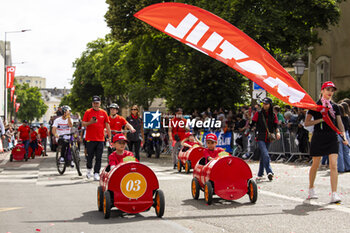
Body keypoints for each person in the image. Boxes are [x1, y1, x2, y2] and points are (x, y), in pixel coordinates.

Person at [304, 81, 348, 203]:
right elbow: (306, 123)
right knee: (315, 165)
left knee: (333, 165)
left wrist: (344, 136)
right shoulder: (315, 106)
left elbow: (340, 124)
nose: (330, 92)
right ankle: (311, 188)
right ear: (322, 91)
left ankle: (334, 193)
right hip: (318, 136)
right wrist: (321, 120)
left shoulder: (335, 107)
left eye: (332, 90)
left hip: (332, 137)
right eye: (328, 89)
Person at [251, 97, 280, 181]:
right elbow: (252, 123)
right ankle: (269, 172)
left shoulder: (273, 115)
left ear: (270, 105)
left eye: (266, 104)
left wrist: (277, 132)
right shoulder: (258, 113)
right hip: (260, 136)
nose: (264, 105)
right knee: (265, 154)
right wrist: (252, 127)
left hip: (269, 137)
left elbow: (276, 126)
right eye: (263, 104)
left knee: (264, 155)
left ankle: (260, 173)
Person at [82, 96, 111, 181]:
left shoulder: (104, 113)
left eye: (97, 103)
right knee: (90, 157)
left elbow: (107, 125)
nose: (95, 105)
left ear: (100, 103)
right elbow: (83, 124)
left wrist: (110, 137)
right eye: (94, 103)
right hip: (90, 139)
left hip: (100, 139)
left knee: (99, 157)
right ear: (92, 104)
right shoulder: (88, 112)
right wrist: (90, 122)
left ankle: (96, 173)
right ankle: (88, 170)